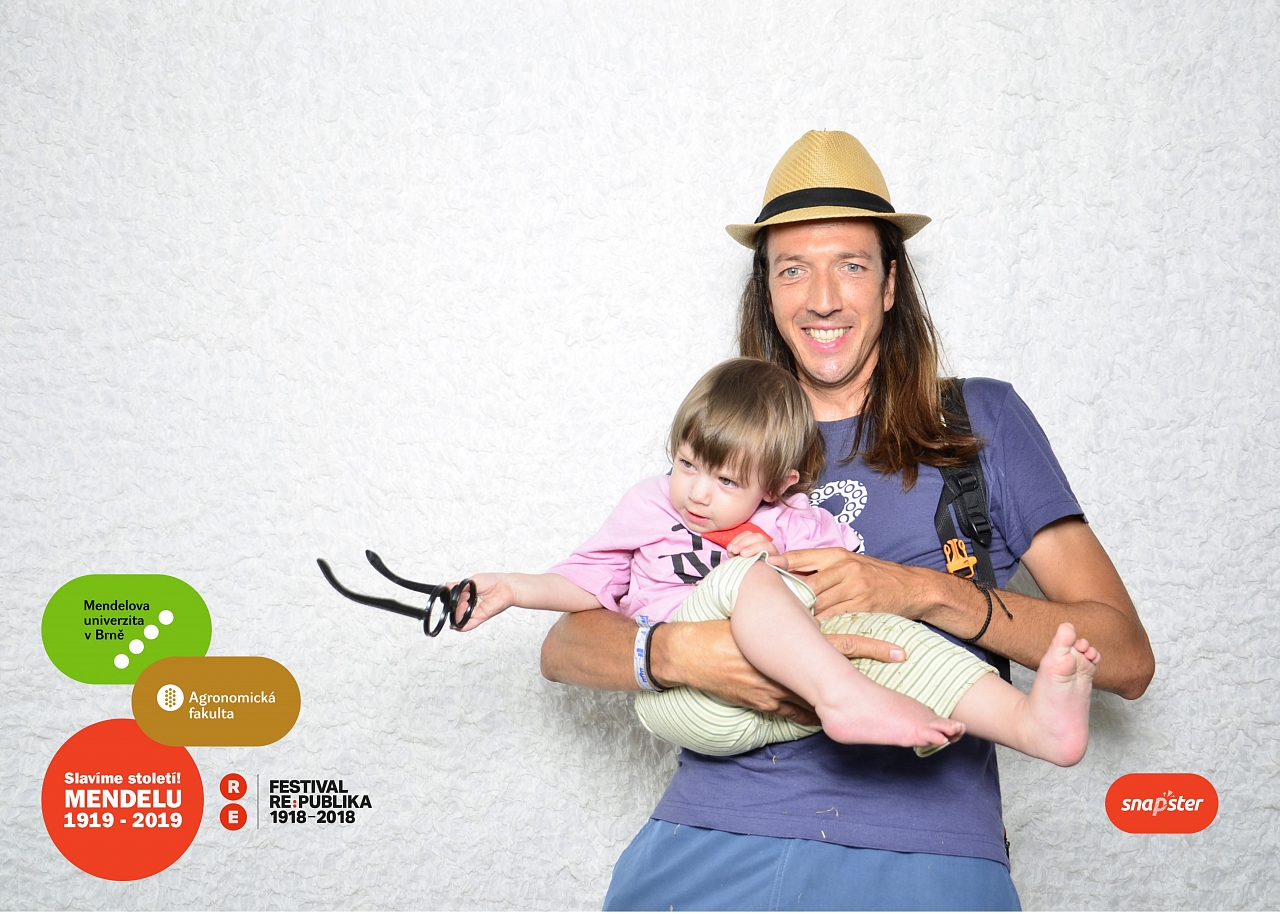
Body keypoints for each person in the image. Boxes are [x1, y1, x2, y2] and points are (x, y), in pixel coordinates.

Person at [539, 130, 1156, 911]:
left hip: (925, 856)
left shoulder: (980, 422)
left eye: (851, 265)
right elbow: (563, 645)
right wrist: (687, 652)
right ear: (767, 291)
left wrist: (920, 592)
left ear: (891, 283)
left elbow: (1126, 658)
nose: (822, 297)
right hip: (708, 841)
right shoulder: (726, 441)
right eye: (792, 268)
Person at [463, 358, 1099, 766]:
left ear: (777, 484)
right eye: (686, 464)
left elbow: (848, 579)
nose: (698, 493)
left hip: (795, 698)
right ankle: (847, 700)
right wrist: (513, 588)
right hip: (693, 698)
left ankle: (1032, 727)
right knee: (746, 577)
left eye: (726, 480)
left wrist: (783, 556)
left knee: (892, 637)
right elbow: (585, 584)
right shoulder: (651, 507)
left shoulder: (790, 520)